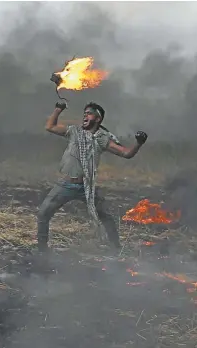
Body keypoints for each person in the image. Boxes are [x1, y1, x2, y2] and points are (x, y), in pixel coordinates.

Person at [37, 100, 148, 254]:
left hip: (86, 187)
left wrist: (139, 143)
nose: (85, 115)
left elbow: (126, 153)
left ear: (98, 119)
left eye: (89, 113)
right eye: (85, 113)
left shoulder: (101, 139)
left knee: (106, 217)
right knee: (43, 213)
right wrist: (58, 109)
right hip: (66, 184)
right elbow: (49, 126)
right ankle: (42, 251)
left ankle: (117, 250)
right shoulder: (74, 131)